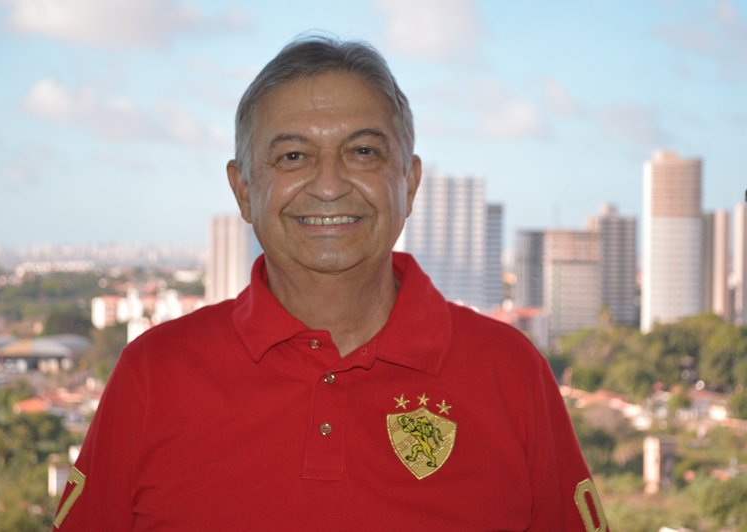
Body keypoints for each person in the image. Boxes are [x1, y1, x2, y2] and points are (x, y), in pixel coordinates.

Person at [53, 35, 607, 531]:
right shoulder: (155, 374)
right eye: (293, 156)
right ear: (243, 190)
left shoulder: (509, 373)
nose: (328, 185)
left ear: (409, 183)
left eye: (362, 152)